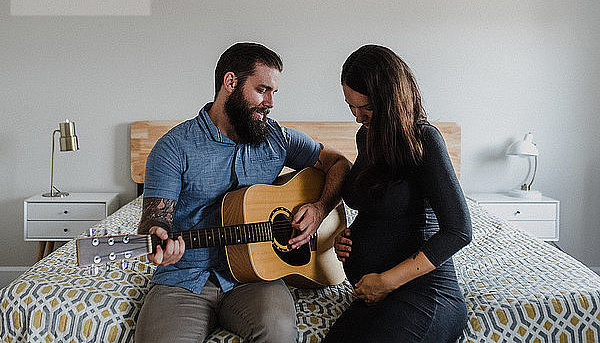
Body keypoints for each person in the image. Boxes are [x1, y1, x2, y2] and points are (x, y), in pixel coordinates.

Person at [134, 42, 351, 343]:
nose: (270, 102)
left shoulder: (277, 138)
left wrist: (319, 208)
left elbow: (339, 163)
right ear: (231, 82)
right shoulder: (174, 147)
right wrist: (159, 241)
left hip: (256, 277)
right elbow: (154, 222)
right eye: (263, 90)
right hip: (183, 278)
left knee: (279, 333)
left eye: (274, 92)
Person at [324, 45, 472, 343]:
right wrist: (348, 236)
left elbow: (459, 231)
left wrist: (386, 281)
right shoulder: (367, 136)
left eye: (365, 108)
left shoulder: (424, 140)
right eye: (350, 107)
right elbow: (380, 206)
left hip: (425, 293)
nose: (357, 117)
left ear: (388, 100)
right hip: (376, 296)